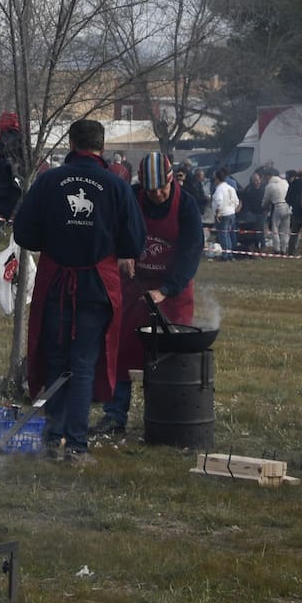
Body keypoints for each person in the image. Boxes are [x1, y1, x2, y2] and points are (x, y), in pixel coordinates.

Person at [13, 119, 145, 463]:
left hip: (57, 281)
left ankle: (51, 440)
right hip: (96, 287)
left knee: (56, 361)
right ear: (101, 146)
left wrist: (54, 242)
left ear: (71, 143)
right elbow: (134, 241)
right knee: (84, 363)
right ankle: (75, 446)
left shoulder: (48, 181)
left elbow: (24, 233)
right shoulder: (116, 185)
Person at [94, 152, 203, 436]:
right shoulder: (131, 197)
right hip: (134, 286)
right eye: (150, 190)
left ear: (171, 180)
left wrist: (166, 290)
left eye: (161, 189)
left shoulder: (187, 206)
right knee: (121, 350)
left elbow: (191, 255)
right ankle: (115, 416)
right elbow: (111, 229)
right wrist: (123, 252)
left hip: (173, 291)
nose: (156, 195)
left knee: (168, 358)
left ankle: (166, 420)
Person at [211, 168, 240, 260]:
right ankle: (229, 253)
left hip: (223, 214)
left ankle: (225, 255)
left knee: (223, 235)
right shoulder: (231, 188)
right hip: (231, 213)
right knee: (228, 235)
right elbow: (236, 201)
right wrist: (233, 209)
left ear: (217, 179)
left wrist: (218, 212)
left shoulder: (219, 189)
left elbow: (219, 201)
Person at [262, 169, 291, 254]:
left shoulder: (270, 186)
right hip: (287, 206)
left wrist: (263, 206)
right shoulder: (285, 183)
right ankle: (284, 249)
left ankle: (276, 248)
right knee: (285, 229)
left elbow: (266, 200)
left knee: (275, 228)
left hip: (277, 207)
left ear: (269, 177)